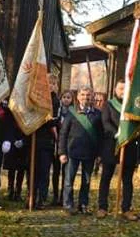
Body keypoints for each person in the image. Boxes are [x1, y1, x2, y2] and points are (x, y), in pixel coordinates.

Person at [97, 80, 138, 220]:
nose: (123, 91)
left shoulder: (132, 106)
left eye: (125, 89)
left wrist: (127, 135)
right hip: (111, 145)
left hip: (129, 146)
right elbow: (105, 123)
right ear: (115, 90)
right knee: (106, 177)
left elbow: (137, 124)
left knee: (127, 180)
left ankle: (126, 208)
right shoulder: (108, 104)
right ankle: (102, 207)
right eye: (121, 88)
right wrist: (119, 134)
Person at [58, 86, 102, 215]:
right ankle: (68, 205)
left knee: (86, 181)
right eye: (82, 95)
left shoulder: (97, 114)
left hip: (90, 153)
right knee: (68, 181)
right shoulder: (71, 112)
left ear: (92, 96)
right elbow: (63, 133)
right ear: (78, 97)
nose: (85, 97)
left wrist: (99, 154)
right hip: (72, 152)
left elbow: (100, 136)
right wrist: (62, 152)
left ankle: (83, 204)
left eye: (88, 95)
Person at [31, 78, 60, 209]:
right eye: (48, 83)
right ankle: (31, 195)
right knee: (33, 170)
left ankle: (41, 198)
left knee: (44, 170)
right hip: (34, 138)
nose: (51, 86)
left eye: (53, 84)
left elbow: (54, 121)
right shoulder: (37, 97)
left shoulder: (56, 101)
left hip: (48, 140)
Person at [50, 90, 73, 206]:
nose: (66, 99)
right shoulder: (57, 111)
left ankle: (63, 197)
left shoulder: (73, 112)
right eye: (64, 97)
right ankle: (55, 196)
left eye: (69, 97)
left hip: (68, 146)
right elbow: (52, 123)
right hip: (57, 145)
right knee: (56, 172)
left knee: (66, 173)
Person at [2, 106, 30, 202]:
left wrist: (24, 141)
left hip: (23, 141)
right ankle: (10, 190)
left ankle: (18, 191)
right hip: (11, 141)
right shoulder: (10, 110)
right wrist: (12, 140)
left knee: (21, 168)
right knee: (11, 167)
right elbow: (7, 126)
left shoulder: (27, 109)